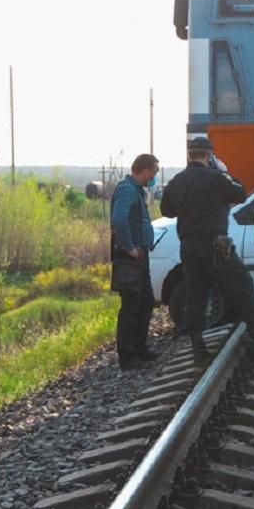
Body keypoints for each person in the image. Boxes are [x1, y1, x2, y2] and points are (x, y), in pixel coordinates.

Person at [160, 137, 254, 364]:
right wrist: (225, 173)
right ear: (209, 155)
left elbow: (167, 211)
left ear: (189, 155)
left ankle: (197, 347)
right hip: (216, 246)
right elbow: (240, 194)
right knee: (243, 285)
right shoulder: (217, 177)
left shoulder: (176, 181)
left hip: (189, 247)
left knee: (196, 294)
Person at [110, 153, 160, 371]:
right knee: (131, 307)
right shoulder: (127, 190)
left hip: (139, 256)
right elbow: (119, 219)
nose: (155, 177)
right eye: (154, 172)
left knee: (145, 302)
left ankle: (140, 348)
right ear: (146, 171)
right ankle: (127, 356)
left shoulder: (136, 190)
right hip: (130, 258)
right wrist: (129, 247)